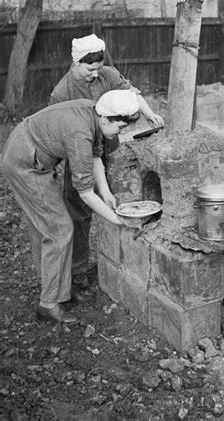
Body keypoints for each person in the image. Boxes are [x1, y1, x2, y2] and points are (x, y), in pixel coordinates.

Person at [2, 90, 140, 324]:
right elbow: (85, 193)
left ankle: (56, 287)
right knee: (59, 229)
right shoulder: (80, 133)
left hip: (33, 153)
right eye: (120, 127)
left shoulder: (94, 112)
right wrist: (119, 220)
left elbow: (95, 157)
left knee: (48, 226)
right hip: (24, 162)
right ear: (106, 119)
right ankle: (48, 305)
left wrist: (106, 193)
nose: (121, 133)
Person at [48, 34, 164, 298]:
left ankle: (119, 256)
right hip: (79, 156)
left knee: (119, 200)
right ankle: (78, 270)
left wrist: (149, 115)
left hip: (109, 151)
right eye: (90, 69)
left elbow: (132, 95)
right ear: (76, 62)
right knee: (80, 213)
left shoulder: (108, 75)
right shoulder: (62, 92)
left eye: (98, 68)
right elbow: (57, 133)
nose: (94, 74)